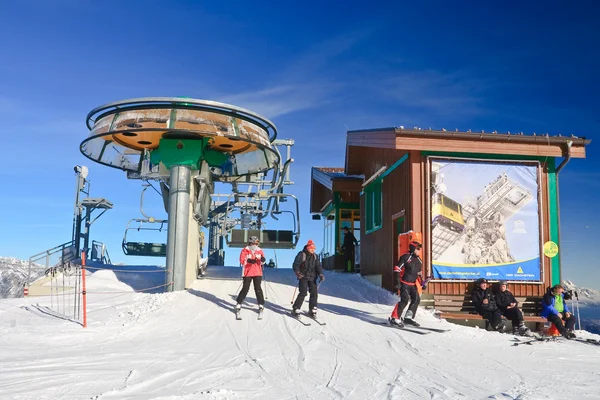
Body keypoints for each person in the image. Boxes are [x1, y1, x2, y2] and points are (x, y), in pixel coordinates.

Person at [389, 240, 423, 327]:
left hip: (413, 284)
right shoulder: (406, 257)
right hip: (404, 283)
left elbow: (419, 274)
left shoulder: (419, 260)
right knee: (404, 300)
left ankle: (408, 318)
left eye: (420, 249)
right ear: (412, 248)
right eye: (417, 248)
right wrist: (397, 282)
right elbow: (397, 269)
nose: (419, 250)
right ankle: (394, 318)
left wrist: (423, 283)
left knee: (416, 300)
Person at [292, 239, 325, 317]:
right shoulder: (302, 254)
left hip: (312, 277)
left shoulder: (315, 256)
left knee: (314, 292)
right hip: (303, 276)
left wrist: (320, 274)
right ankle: (296, 308)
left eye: (314, 248)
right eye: (311, 248)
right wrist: (298, 272)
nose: (313, 250)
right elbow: (296, 264)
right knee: (303, 292)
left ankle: (312, 309)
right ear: (307, 248)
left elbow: (318, 267)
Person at [235, 236, 266, 313]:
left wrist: (263, 260)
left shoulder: (260, 251)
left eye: (256, 243)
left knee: (258, 288)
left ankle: (261, 304)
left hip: (257, 272)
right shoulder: (245, 250)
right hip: (247, 272)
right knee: (245, 288)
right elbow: (242, 260)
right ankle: (239, 303)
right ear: (250, 243)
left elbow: (262, 261)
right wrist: (248, 260)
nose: (254, 245)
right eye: (253, 243)